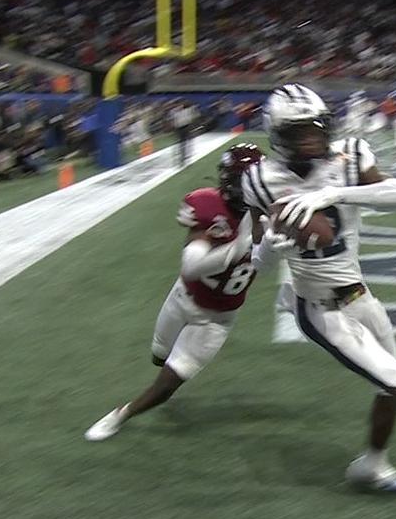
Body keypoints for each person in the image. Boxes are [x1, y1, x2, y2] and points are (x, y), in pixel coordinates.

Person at [242, 83, 396, 493]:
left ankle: (372, 465)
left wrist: (332, 193)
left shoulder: (348, 156)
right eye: (301, 131)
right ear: (280, 137)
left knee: (387, 389)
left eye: (317, 128)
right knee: (395, 377)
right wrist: (269, 248)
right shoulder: (261, 181)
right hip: (318, 307)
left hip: (359, 293)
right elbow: (256, 265)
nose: (313, 138)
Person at [84, 143, 273, 441]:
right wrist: (240, 246)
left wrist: (269, 245)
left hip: (218, 317)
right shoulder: (210, 206)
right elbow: (192, 267)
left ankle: (120, 415)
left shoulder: (272, 217)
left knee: (169, 381)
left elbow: (269, 266)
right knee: (159, 355)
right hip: (184, 296)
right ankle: (159, 374)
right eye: (243, 181)